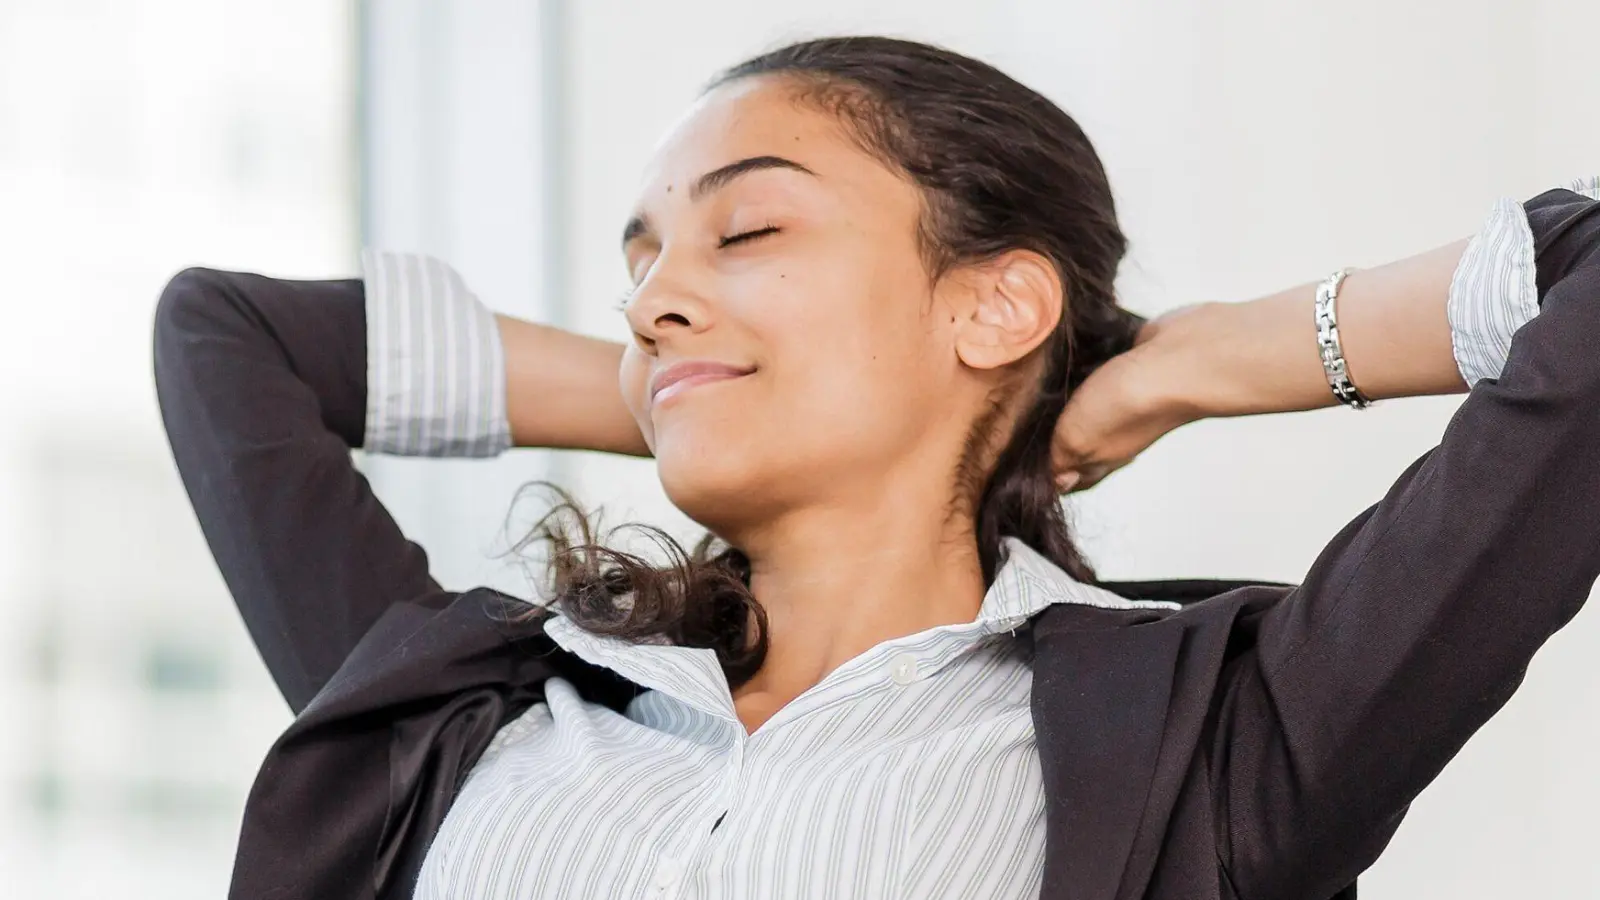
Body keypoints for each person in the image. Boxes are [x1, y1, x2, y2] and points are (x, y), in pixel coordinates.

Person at [151, 35, 1600, 900]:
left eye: (749, 233)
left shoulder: (1218, 743)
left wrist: (1190, 359)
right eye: (642, 264)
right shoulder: (456, 707)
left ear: (995, 303)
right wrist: (683, 377)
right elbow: (230, 340)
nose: (652, 293)